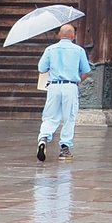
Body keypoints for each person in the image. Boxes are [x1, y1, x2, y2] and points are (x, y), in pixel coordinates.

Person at [36, 22, 92, 162]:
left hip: (54, 86)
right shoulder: (78, 50)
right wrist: (78, 80)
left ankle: (43, 138)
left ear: (60, 35)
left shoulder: (50, 49)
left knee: (50, 116)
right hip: (70, 86)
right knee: (69, 117)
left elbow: (42, 68)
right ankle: (65, 148)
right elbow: (86, 71)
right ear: (73, 36)